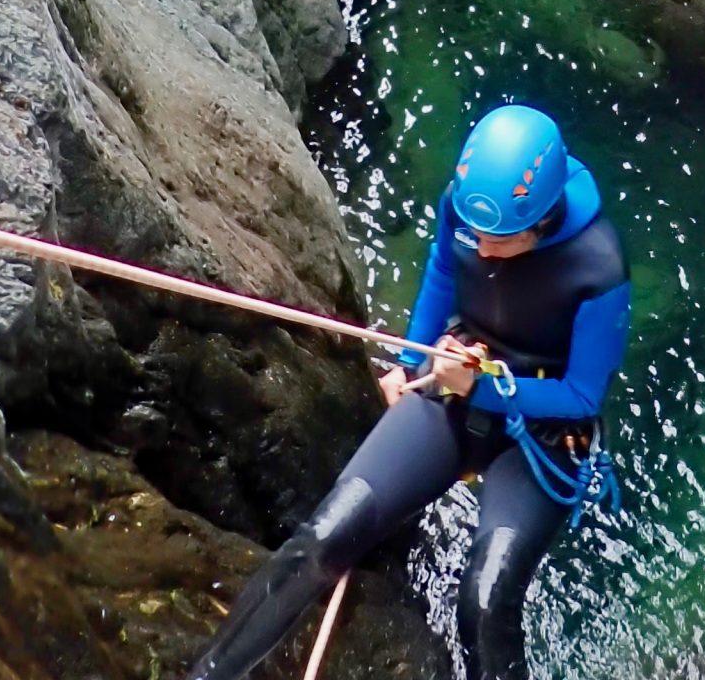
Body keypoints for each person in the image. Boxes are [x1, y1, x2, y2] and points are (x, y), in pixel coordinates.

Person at [186, 105, 631, 680]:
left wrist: (481, 388)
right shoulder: (463, 208)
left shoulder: (598, 269)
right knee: (321, 540)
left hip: (540, 431)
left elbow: (581, 397)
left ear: (542, 222)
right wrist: (408, 361)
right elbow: (445, 274)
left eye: (500, 239)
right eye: (478, 235)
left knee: (485, 606)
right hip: (454, 380)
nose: (485, 250)